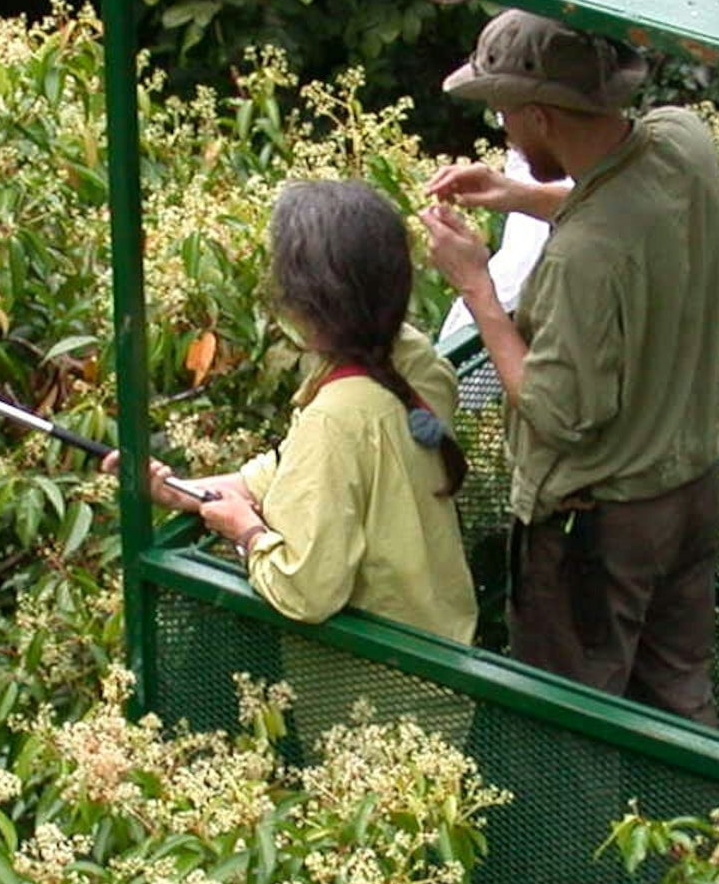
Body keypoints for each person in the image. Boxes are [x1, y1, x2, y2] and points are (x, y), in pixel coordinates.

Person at [420, 10, 719, 722]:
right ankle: (701, 832)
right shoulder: (683, 139)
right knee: (680, 699)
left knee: (572, 725)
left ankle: (576, 835)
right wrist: (520, 196)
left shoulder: (582, 259)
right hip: (692, 484)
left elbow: (558, 412)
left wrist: (479, 290)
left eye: (505, 115)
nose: (504, 133)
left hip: (604, 525)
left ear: (538, 115)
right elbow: (630, 200)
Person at [123, 180, 478, 647]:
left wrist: (245, 532)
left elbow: (305, 591)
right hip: (448, 660)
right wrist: (181, 491)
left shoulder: (335, 418)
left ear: (301, 299)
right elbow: (296, 471)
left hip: (379, 698)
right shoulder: (413, 358)